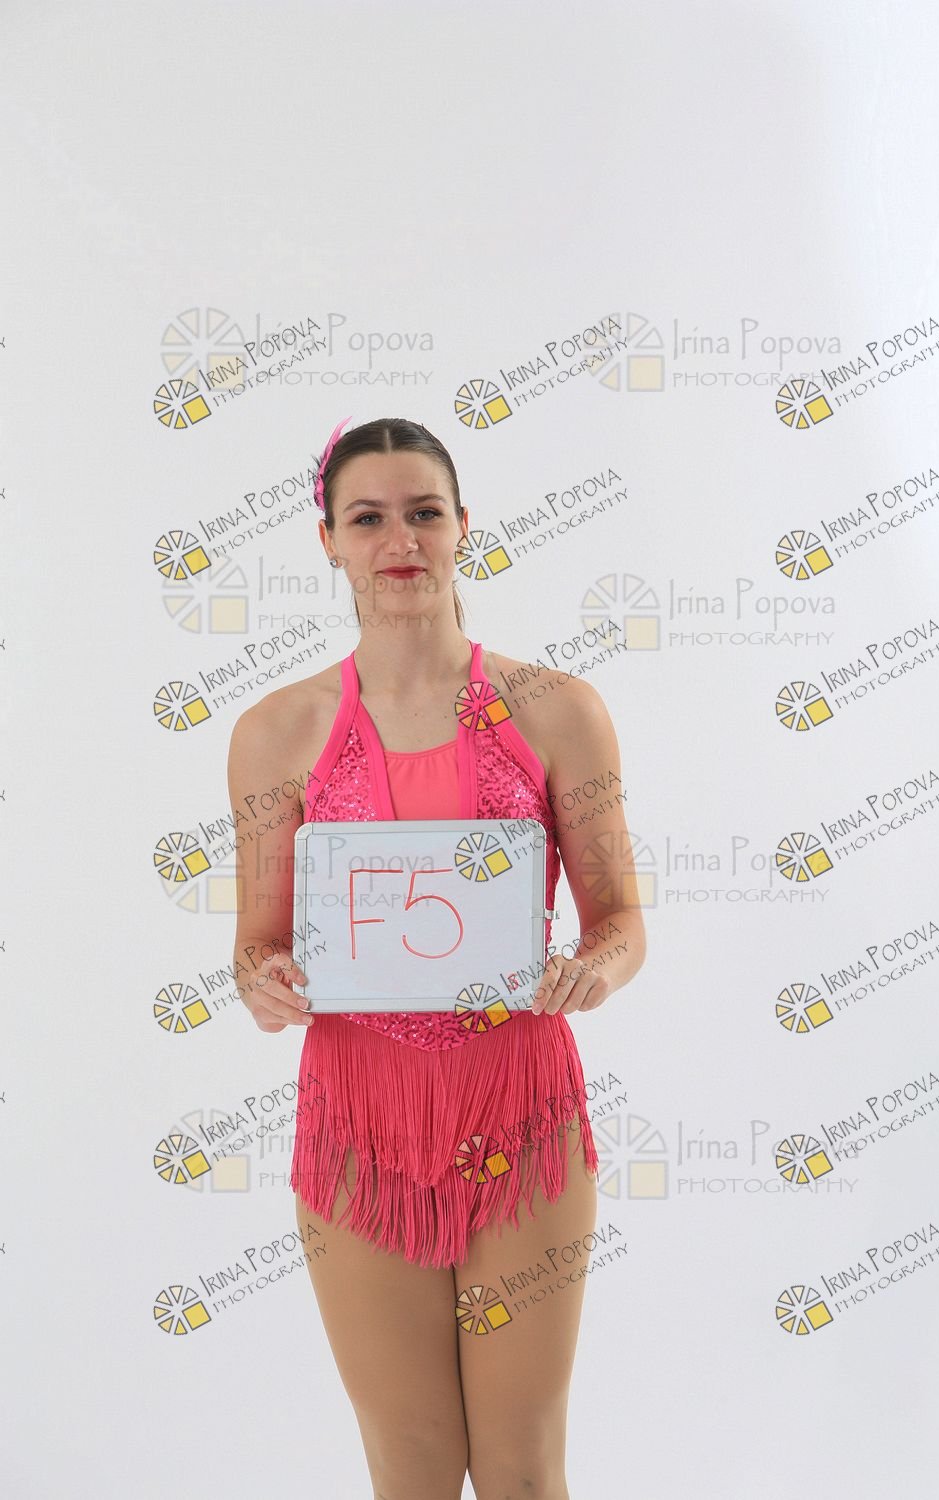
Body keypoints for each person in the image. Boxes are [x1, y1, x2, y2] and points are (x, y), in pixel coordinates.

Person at [226, 416, 646, 1500]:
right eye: (368, 518)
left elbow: (620, 923)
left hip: (521, 1109)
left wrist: (592, 969)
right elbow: (257, 947)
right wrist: (266, 986)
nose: (400, 539)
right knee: (410, 1471)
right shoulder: (277, 732)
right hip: (358, 1121)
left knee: (521, 1468)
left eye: (423, 512)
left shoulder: (558, 712)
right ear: (329, 540)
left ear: (464, 526)